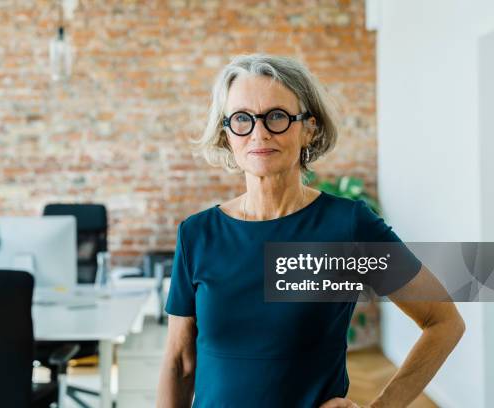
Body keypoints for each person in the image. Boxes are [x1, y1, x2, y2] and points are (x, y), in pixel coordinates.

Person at [157, 54, 465, 408]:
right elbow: (179, 363)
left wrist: (383, 406)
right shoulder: (197, 235)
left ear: (309, 128)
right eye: (242, 119)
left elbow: (443, 321)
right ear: (227, 134)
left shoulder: (347, 226)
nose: (259, 133)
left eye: (277, 116)